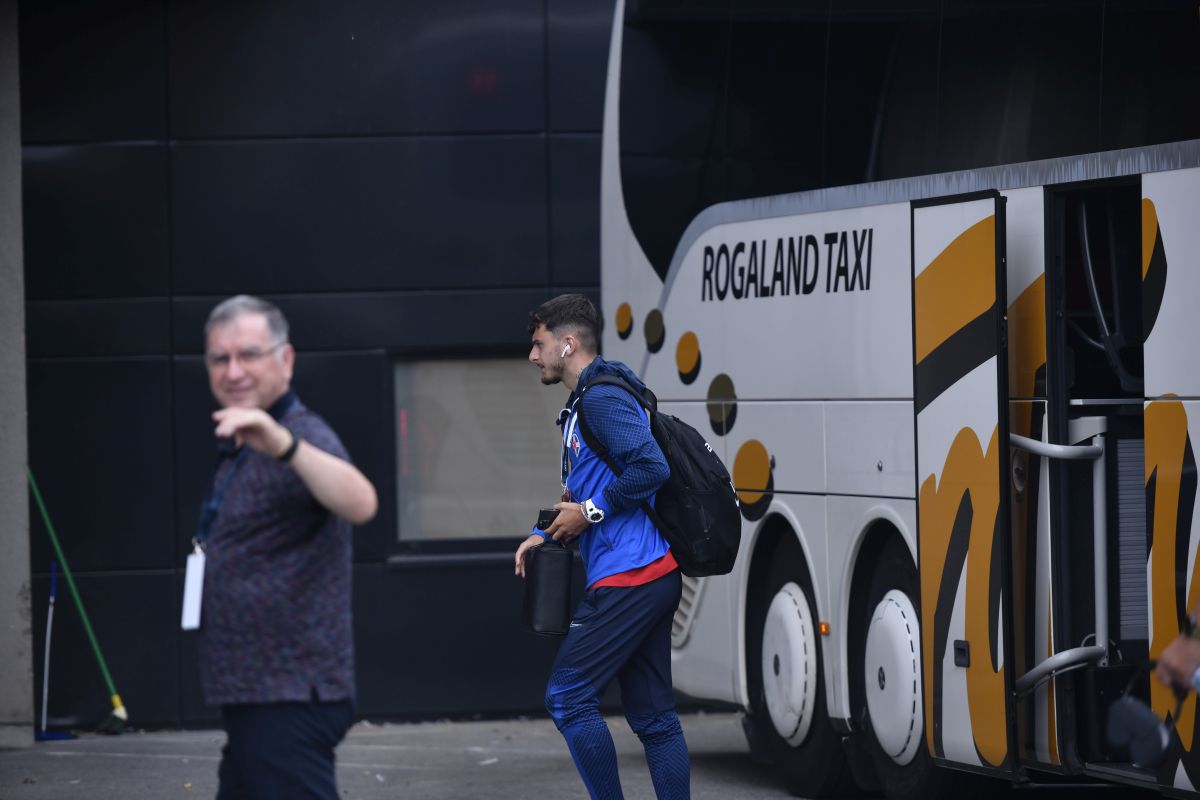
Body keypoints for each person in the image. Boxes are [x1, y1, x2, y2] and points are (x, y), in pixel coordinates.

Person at [196, 295, 377, 799]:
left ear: (286, 359)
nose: (233, 371)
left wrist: (285, 446)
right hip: (256, 695)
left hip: (291, 696)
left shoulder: (299, 435)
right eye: (220, 358)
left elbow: (361, 502)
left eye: (249, 354)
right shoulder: (240, 439)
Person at [514, 293, 691, 799]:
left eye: (539, 345)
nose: (533, 356)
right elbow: (588, 487)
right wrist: (546, 530)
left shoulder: (602, 399)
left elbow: (651, 467)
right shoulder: (587, 399)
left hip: (631, 576)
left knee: (568, 696)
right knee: (654, 719)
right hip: (648, 572)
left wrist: (589, 513)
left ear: (567, 345)